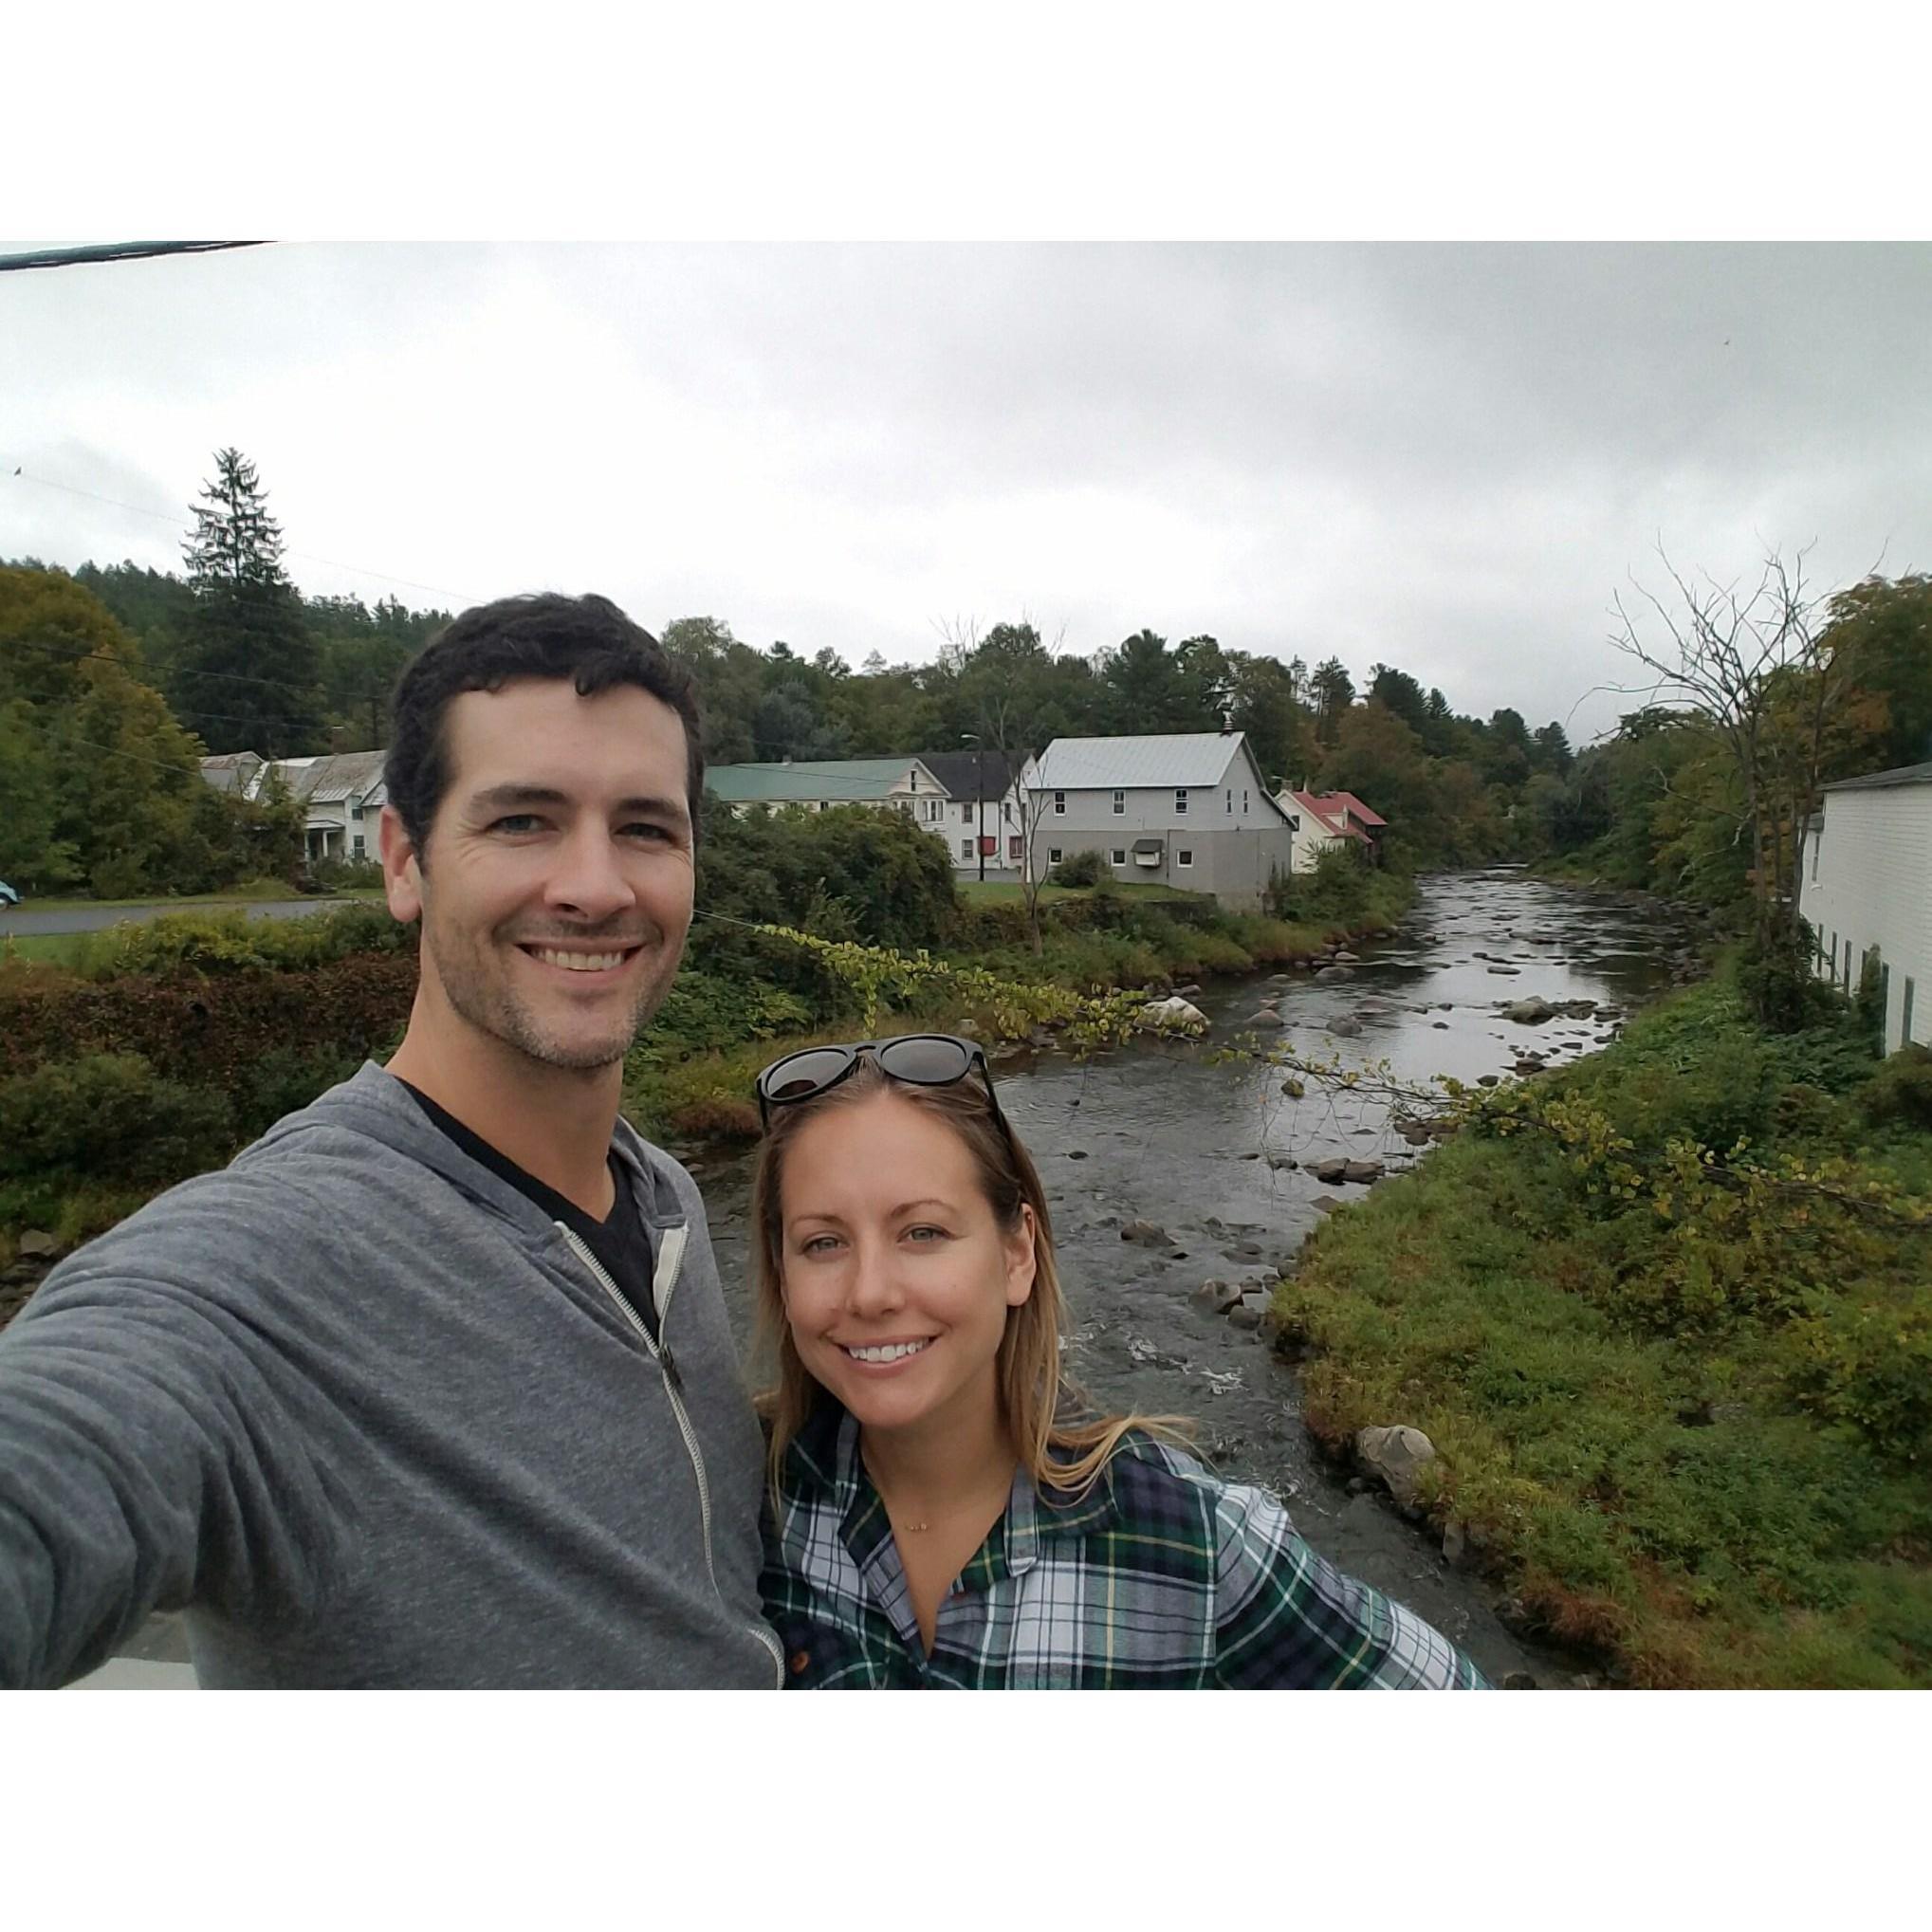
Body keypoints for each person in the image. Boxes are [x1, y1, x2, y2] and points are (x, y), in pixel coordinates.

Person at [0, 593, 782, 1689]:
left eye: (645, 828)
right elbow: (70, 1440)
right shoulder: (268, 1271)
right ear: (404, 862)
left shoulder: (666, 1204)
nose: (598, 887)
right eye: (523, 821)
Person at [751, 1034, 1488, 1688]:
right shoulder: (749, 1501)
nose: (870, 1291)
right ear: (783, 1277)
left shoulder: (1191, 1544)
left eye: (921, 1232)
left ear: (1016, 1254)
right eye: (823, 1242)